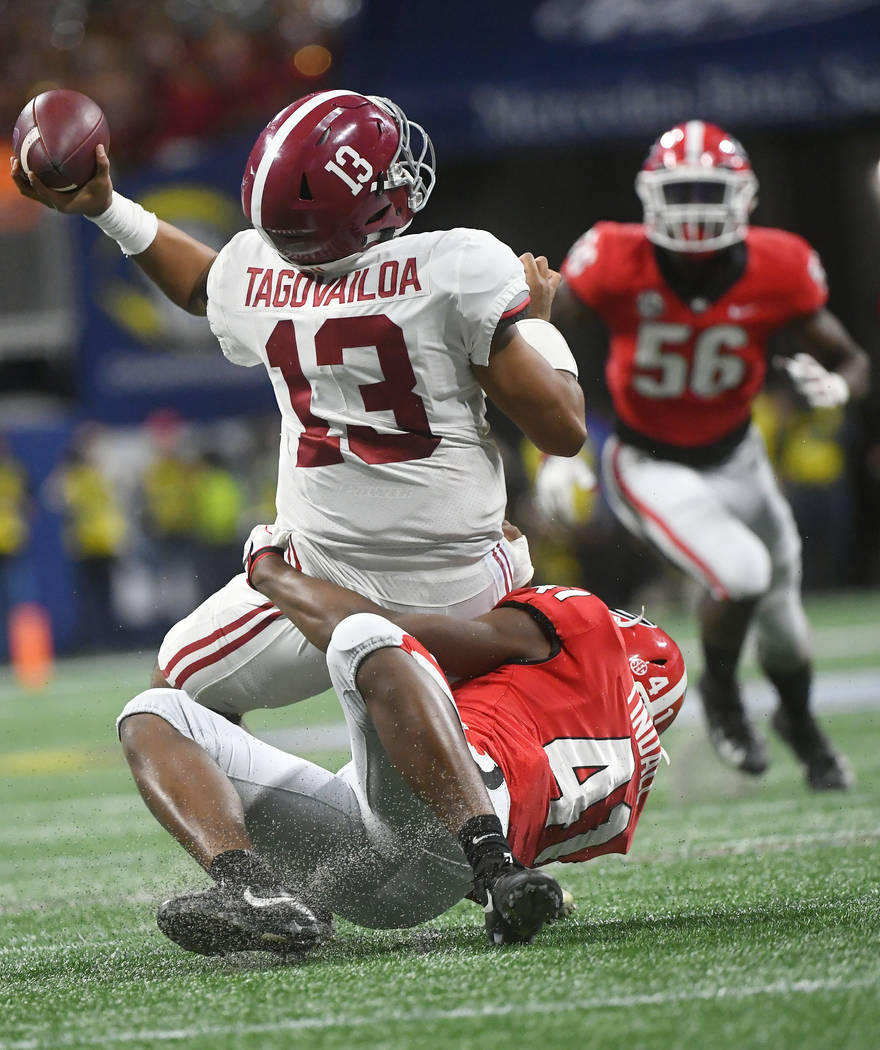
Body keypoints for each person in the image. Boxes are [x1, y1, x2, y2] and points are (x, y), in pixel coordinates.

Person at [12, 89, 585, 716]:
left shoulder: (261, 277)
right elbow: (562, 430)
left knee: (174, 700)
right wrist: (538, 322)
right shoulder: (458, 268)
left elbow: (203, 286)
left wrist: (106, 208)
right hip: (465, 580)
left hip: (320, 579)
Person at [116, 521, 686, 954]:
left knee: (363, 637)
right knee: (154, 713)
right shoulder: (625, 785)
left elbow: (397, 633)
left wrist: (273, 574)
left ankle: (492, 868)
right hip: (417, 876)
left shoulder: (586, 628)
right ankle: (265, 897)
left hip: (443, 827)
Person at [549, 120, 870, 790]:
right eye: (682, 190)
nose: (695, 208)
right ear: (649, 195)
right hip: (650, 461)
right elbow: (535, 332)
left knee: (784, 615)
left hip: (741, 456)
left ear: (747, 198)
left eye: (709, 190)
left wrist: (836, 384)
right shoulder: (612, 254)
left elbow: (850, 358)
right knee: (743, 573)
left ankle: (799, 724)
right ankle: (723, 700)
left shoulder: (779, 263)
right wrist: (552, 434)